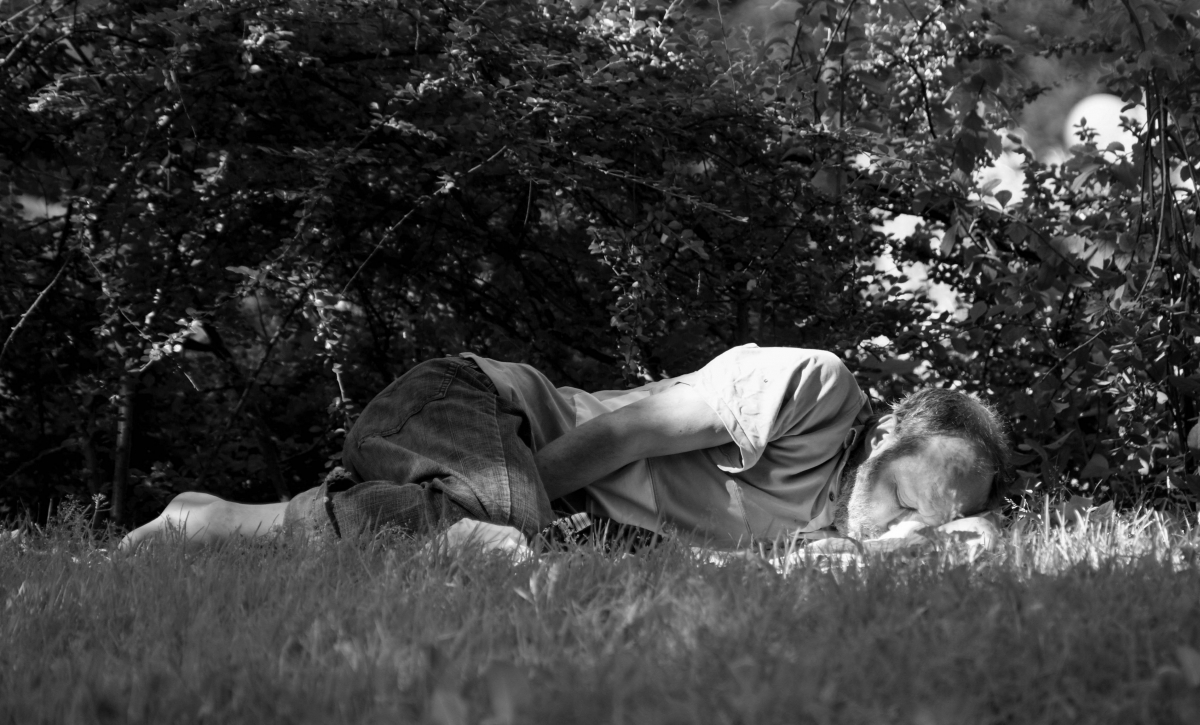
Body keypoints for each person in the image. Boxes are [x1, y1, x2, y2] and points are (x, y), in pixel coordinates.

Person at [119, 344, 1009, 554]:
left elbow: (939, 555)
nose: (905, 523)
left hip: (460, 464)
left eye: (928, 522)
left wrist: (954, 541)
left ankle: (210, 523)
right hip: (470, 406)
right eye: (909, 497)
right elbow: (625, 431)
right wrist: (505, 513)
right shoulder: (818, 387)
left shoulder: (815, 536)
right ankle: (211, 522)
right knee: (493, 542)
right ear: (889, 436)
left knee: (480, 540)